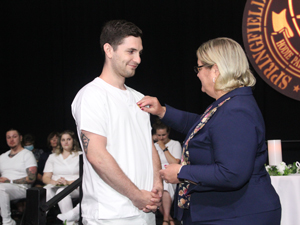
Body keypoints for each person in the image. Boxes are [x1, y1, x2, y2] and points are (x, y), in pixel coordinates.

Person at [137, 37, 281, 224]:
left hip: (239, 215)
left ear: (216, 69)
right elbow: (200, 125)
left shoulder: (235, 109)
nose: (197, 74)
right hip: (228, 212)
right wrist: (162, 111)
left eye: (199, 67)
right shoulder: (228, 103)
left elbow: (232, 174)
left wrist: (182, 172)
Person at [71, 19, 162, 225]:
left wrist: (157, 184)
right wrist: (136, 195)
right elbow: (96, 156)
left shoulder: (139, 98)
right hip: (110, 215)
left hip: (145, 212)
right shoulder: (92, 95)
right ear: (109, 50)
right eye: (131, 51)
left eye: (139, 53)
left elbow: (148, 146)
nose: (138, 59)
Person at [42, 130, 82, 225]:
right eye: (63, 140)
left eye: (69, 139)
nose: (66, 142)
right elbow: (45, 177)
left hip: (74, 186)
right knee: (45, 192)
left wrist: (68, 182)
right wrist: (55, 182)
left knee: (62, 192)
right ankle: (39, 220)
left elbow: (85, 176)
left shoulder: (80, 155)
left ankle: (70, 222)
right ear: (60, 142)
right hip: (56, 184)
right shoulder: (53, 157)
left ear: (73, 141)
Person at [0, 129, 37, 225]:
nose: (11, 139)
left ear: (20, 138)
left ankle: (8, 222)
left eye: (14, 136)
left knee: (1, 188)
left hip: (22, 188)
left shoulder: (27, 154)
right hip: (4, 187)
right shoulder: (2, 157)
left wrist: (10, 181)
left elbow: (32, 178)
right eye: (8, 137)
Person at [152, 120, 181, 225]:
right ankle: (169, 218)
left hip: (171, 175)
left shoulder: (175, 144)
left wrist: (163, 148)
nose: (161, 137)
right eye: (158, 135)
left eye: (163, 135)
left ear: (168, 133)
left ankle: (165, 220)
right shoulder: (154, 145)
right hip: (157, 175)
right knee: (155, 189)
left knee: (165, 187)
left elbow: (174, 162)